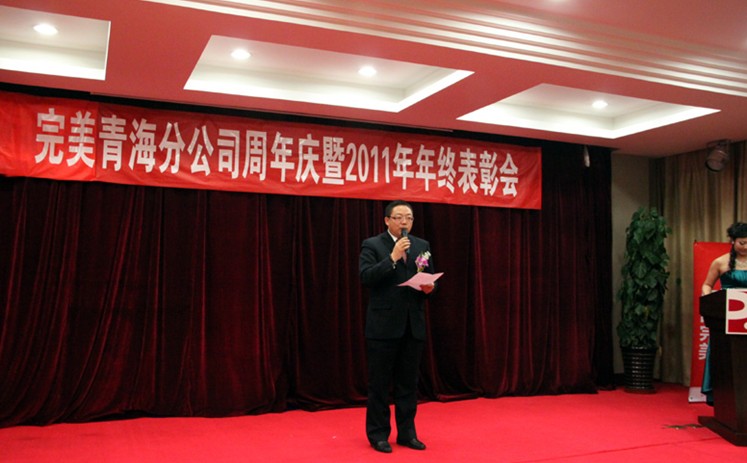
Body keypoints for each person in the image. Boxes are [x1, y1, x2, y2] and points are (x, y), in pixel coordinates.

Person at [359, 200, 436, 453]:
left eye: (409, 218)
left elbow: (429, 277)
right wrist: (392, 258)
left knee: (408, 384)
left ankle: (407, 433)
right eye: (399, 217)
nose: (405, 222)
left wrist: (430, 287)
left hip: (412, 325)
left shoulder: (421, 246)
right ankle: (378, 434)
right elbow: (366, 277)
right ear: (387, 220)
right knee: (380, 384)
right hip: (383, 327)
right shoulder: (372, 245)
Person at [700, 222, 747, 404]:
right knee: (726, 357)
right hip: (727, 317)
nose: (745, 247)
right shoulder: (720, 262)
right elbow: (707, 285)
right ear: (732, 241)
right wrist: (708, 299)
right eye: (742, 243)